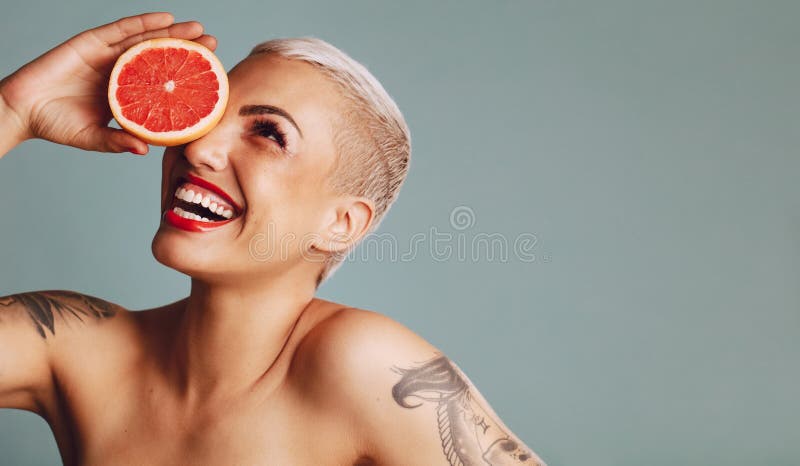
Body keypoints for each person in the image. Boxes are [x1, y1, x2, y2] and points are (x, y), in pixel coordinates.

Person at [0, 12, 546, 466]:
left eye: (267, 133)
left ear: (341, 224)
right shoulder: (73, 348)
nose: (199, 149)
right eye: (205, 116)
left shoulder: (362, 364)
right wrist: (12, 110)